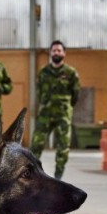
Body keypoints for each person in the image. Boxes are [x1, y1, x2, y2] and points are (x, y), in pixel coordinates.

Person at [30, 40, 81, 179]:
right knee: (36, 146)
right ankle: (33, 175)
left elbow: (75, 95)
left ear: (64, 53)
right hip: (44, 115)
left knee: (63, 148)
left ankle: (58, 176)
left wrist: (66, 108)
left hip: (62, 116)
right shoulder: (43, 72)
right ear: (50, 53)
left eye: (59, 50)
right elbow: (39, 92)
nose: (56, 53)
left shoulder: (71, 73)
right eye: (54, 50)